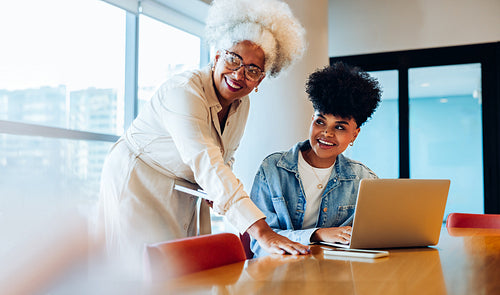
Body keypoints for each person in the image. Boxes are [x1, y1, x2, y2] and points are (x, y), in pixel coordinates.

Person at [96, 0, 309, 271]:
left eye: (253, 70)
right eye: (234, 58)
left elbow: (224, 158)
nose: (239, 74)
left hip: (183, 186)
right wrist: (262, 232)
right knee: (142, 271)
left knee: (179, 270)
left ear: (260, 80)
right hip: (139, 179)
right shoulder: (184, 92)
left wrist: (216, 190)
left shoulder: (241, 104)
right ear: (217, 55)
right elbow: (206, 162)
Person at [249, 62, 382, 257]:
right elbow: (261, 240)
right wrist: (317, 234)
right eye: (320, 122)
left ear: (354, 135)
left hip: (336, 275)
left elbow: (374, 236)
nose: (326, 133)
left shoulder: (364, 179)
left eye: (340, 127)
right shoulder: (273, 170)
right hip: (278, 274)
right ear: (312, 119)